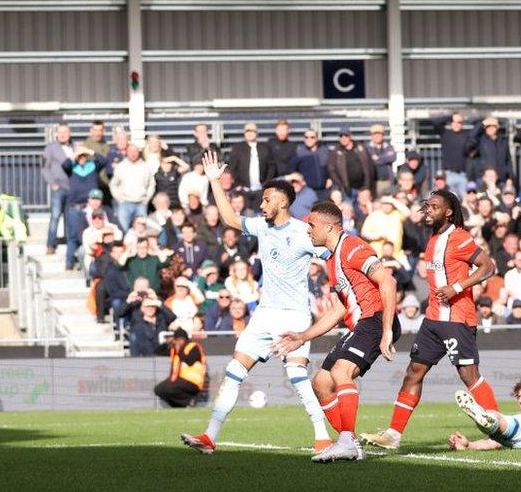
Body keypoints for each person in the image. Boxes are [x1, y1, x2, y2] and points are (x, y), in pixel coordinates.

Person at [181, 152, 331, 455]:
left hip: (295, 316)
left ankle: (322, 437)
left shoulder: (304, 232)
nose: (261, 205)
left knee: (296, 375)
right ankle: (210, 436)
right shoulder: (262, 227)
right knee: (234, 371)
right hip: (264, 314)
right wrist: (213, 180)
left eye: (266, 200)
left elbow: (333, 255)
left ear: (283, 202)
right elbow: (229, 218)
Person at [362, 190, 497, 450]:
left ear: (448, 212)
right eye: (427, 206)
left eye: (434, 207)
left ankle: (498, 431)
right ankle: (393, 434)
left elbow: (488, 266)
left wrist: (457, 288)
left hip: (457, 318)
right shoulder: (433, 238)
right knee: (413, 372)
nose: (428, 210)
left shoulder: (459, 237)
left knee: (469, 375)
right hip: (433, 318)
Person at [273, 200, 399, 462]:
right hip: (360, 324)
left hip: (375, 319)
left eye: (312, 224)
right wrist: (303, 336)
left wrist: (387, 330)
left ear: (329, 226)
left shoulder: (352, 247)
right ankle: (349, 442)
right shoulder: (333, 260)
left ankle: (345, 442)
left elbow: (387, 280)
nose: (308, 230)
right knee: (321, 382)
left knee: (341, 372)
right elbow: (339, 309)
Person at [154, 329, 207, 408]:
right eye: (177, 340)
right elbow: (157, 351)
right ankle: (180, 405)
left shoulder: (193, 347)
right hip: (178, 380)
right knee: (159, 390)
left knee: (170, 388)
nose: (179, 342)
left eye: (181, 340)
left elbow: (189, 361)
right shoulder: (174, 350)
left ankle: (190, 400)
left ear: (185, 339)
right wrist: (168, 342)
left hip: (193, 381)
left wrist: (179, 351)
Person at [43, 123, 73, 255]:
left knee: (70, 217)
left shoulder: (74, 147)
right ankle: (50, 244)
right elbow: (45, 168)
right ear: (56, 134)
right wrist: (52, 183)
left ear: (69, 134)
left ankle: (69, 243)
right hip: (58, 188)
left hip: (71, 188)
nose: (62, 134)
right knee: (55, 216)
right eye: (60, 132)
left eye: (65, 132)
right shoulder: (51, 148)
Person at [228, 122, 274, 192]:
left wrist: (266, 183)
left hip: (261, 189)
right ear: (244, 133)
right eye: (247, 131)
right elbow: (232, 168)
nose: (249, 133)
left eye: (252, 131)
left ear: (256, 133)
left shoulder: (265, 148)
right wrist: (238, 185)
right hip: (243, 189)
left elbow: (271, 167)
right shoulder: (237, 148)